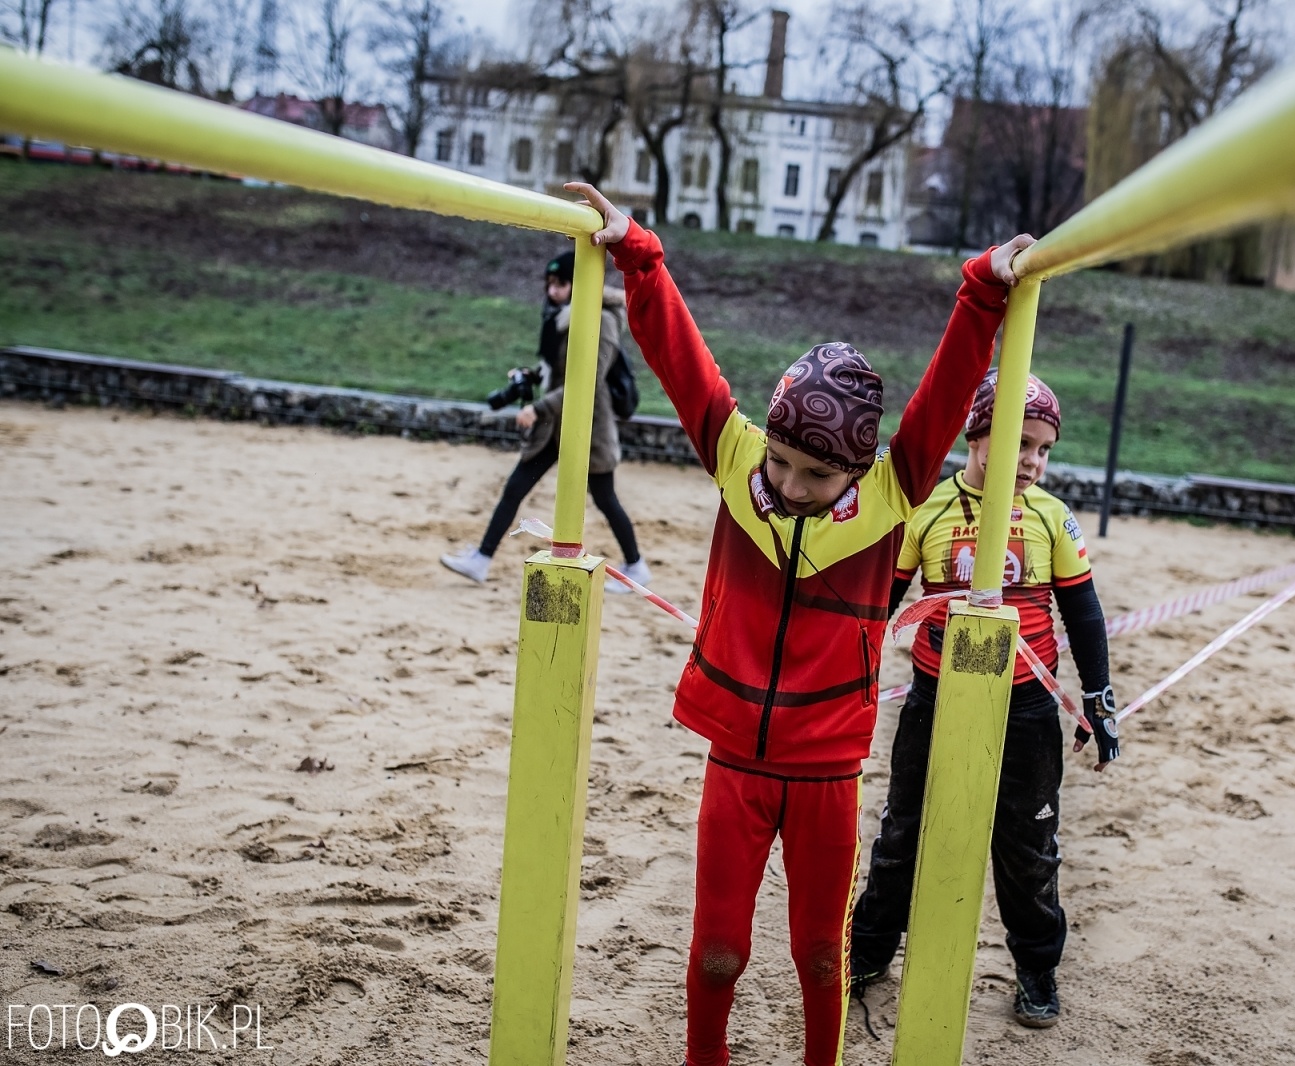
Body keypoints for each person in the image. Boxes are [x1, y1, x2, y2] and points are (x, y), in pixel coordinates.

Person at [562, 179, 1035, 1066]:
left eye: (816, 475)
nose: (789, 485)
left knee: (822, 953)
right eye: (782, 462)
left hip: (826, 770)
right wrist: (637, 253)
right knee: (717, 951)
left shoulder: (893, 493)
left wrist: (983, 291)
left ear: (857, 469)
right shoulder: (739, 461)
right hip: (735, 762)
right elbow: (682, 361)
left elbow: (943, 396)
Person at [849, 371, 1118, 1030]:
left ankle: (1037, 970)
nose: (1032, 460)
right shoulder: (928, 510)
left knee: (1029, 848)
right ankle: (869, 951)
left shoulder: (1052, 517)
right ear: (976, 436)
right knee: (902, 833)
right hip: (934, 699)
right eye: (1019, 442)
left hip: (1028, 708)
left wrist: (1098, 699)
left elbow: (1084, 613)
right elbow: (879, 606)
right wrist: (847, 679)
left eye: (1043, 449)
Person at [440, 249, 650, 591]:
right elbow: (558, 368)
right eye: (549, 283)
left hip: (587, 428)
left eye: (561, 283)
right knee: (515, 488)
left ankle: (636, 566)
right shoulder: (561, 316)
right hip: (555, 426)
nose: (553, 291)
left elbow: (586, 383)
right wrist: (531, 375)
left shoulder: (602, 319)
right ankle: (481, 559)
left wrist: (538, 408)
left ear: (579, 284)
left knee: (605, 497)